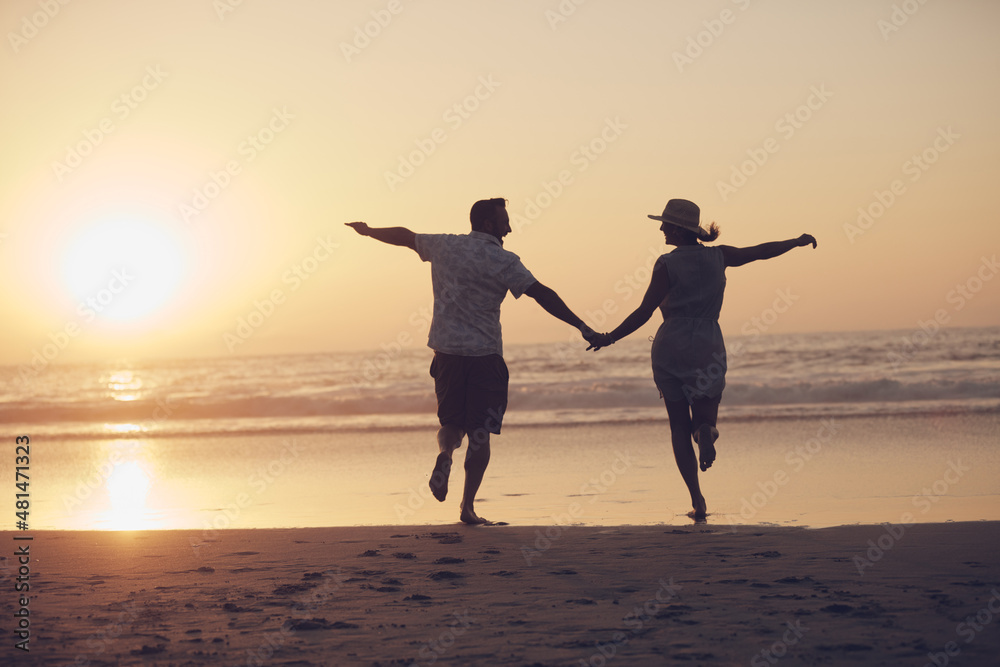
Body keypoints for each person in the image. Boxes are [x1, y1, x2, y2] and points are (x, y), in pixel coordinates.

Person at [346, 198, 597, 525]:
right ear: (490, 224)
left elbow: (405, 236)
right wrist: (582, 326)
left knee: (450, 425)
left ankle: (445, 454)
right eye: (505, 220)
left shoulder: (445, 246)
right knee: (480, 433)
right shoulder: (505, 261)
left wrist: (368, 232)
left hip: (447, 353)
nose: (510, 227)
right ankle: (467, 508)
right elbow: (541, 293)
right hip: (485, 356)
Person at [587, 199, 816, 521]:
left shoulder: (666, 263)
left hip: (671, 344)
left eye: (666, 223)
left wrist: (609, 337)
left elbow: (645, 311)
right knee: (705, 416)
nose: (661, 228)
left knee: (678, 426)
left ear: (679, 229)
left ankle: (698, 500)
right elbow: (760, 251)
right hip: (707, 342)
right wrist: (795, 242)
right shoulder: (720, 255)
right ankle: (706, 432)